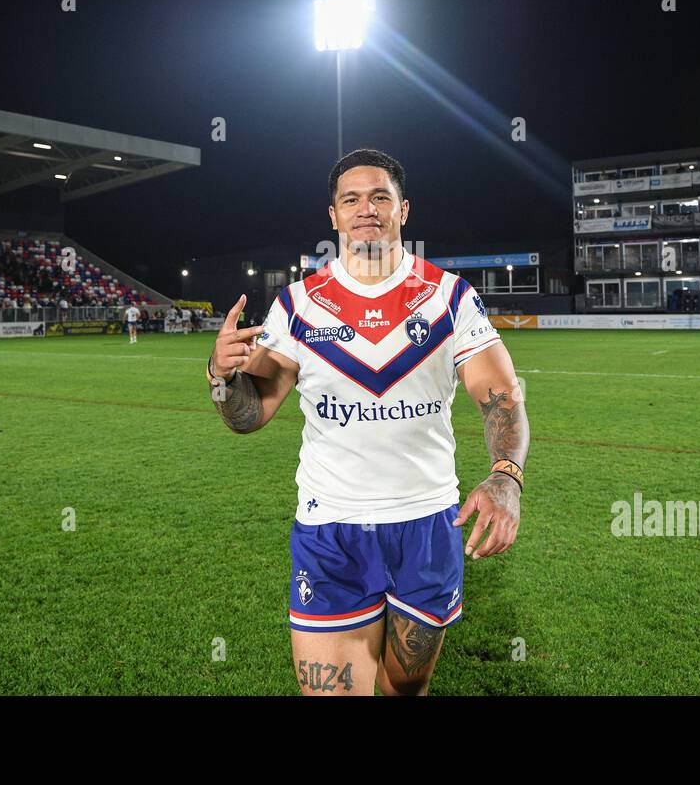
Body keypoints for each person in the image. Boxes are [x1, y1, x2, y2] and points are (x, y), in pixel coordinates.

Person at [206, 149, 529, 697]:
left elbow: (500, 396)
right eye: (350, 198)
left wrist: (505, 476)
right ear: (333, 216)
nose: (367, 208)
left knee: (405, 689)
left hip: (428, 523)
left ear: (404, 209)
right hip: (330, 527)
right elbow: (249, 413)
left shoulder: (450, 299)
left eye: (381, 196)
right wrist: (220, 374)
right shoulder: (298, 307)